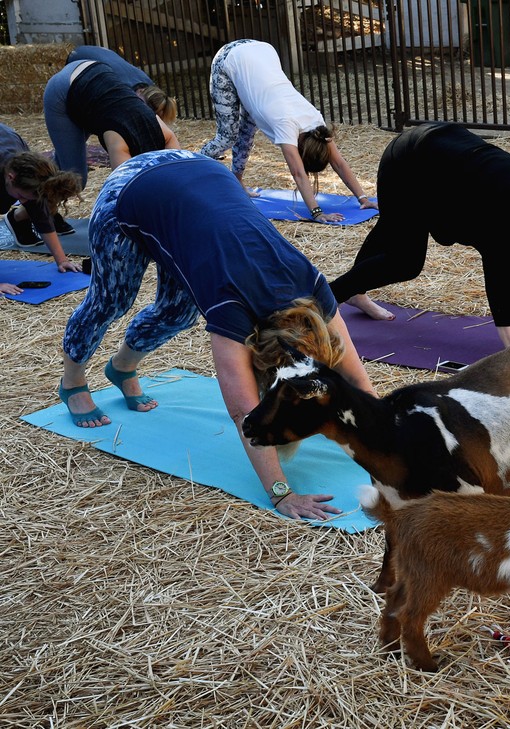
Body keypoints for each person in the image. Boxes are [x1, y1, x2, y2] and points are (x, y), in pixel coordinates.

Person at [58, 149, 374, 521]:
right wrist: (281, 493)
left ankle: (122, 369)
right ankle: (72, 382)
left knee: (176, 313)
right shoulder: (231, 311)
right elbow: (244, 411)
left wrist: (382, 450)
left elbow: (356, 379)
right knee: (111, 301)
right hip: (132, 189)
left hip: (197, 178)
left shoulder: (314, 289)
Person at [328, 122, 510, 348]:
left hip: (450, 153)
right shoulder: (505, 227)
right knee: (404, 260)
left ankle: (356, 292)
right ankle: (326, 298)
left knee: (392, 229)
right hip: (411, 162)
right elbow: (501, 295)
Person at [197, 39, 376, 223]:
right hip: (230, 58)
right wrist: (317, 213)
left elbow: (339, 163)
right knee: (227, 137)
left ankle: (237, 182)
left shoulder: (317, 124)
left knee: (247, 130)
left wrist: (363, 198)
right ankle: (190, 166)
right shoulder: (287, 126)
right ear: (302, 152)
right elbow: (298, 173)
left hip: (261, 51)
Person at [44, 59, 180, 189]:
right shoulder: (120, 143)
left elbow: (178, 170)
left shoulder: (165, 134)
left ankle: (39, 174)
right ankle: (31, 196)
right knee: (75, 179)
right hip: (64, 89)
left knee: (67, 157)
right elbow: (123, 189)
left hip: (95, 70)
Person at [1, 122, 83, 272]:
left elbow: (41, 216)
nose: (23, 202)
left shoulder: (28, 173)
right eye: (20, 196)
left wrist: (62, 260)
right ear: (10, 177)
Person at [65, 45, 178, 123]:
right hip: (79, 58)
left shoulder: (148, 85)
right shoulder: (122, 90)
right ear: (141, 92)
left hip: (98, 52)